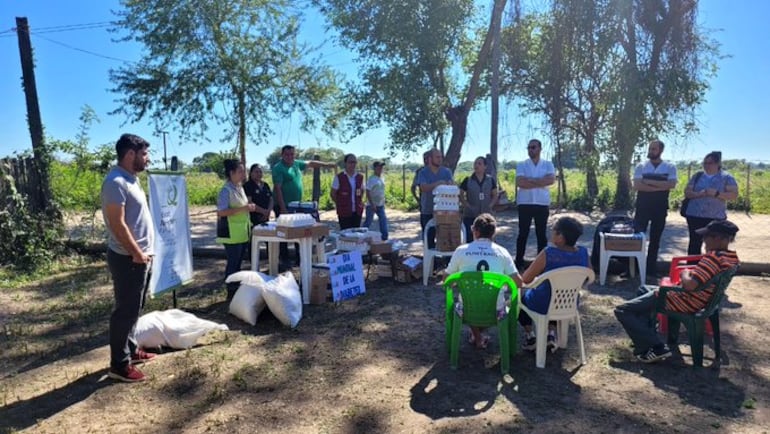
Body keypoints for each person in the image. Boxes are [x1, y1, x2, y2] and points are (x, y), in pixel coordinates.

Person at [614, 219, 740, 363]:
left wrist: (684, 273)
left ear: (718, 238)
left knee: (622, 310)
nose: (703, 240)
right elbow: (703, 277)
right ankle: (646, 336)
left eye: (706, 237)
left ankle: (655, 347)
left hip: (683, 300)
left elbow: (690, 285)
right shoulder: (731, 258)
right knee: (643, 288)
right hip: (701, 301)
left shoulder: (712, 259)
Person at [100, 133, 156, 382]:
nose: (148, 159)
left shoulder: (131, 179)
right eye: (144, 154)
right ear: (130, 154)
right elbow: (117, 223)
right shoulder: (115, 182)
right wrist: (136, 253)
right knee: (125, 311)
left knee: (135, 309)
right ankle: (119, 365)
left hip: (140, 257)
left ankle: (131, 350)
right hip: (128, 259)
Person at [444, 213, 519, 349]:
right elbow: (518, 283)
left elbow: (446, 280)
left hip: (467, 308)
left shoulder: (461, 251)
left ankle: (477, 335)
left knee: (468, 298)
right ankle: (480, 336)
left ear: (475, 231)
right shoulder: (503, 252)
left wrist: (457, 281)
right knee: (504, 300)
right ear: (493, 233)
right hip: (494, 309)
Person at [517, 216, 591, 351]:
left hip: (544, 302)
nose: (551, 232)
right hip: (568, 302)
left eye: (554, 230)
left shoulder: (548, 253)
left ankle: (530, 336)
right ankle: (551, 334)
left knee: (522, 299)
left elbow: (526, 279)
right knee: (554, 297)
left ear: (561, 236)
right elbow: (589, 277)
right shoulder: (583, 253)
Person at [271, 145, 336, 264]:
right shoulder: (278, 168)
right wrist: (283, 208)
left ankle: (299, 258)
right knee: (284, 231)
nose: (290, 157)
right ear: (282, 155)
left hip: (296, 205)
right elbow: (277, 189)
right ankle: (283, 260)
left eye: (292, 154)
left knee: (298, 230)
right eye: (287, 154)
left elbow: (311, 163)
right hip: (283, 205)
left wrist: (327, 165)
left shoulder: (296, 164)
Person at [632, 140, 678, 281]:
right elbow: (637, 186)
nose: (651, 151)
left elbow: (671, 184)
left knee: (655, 239)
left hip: (660, 207)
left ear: (660, 151)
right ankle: (632, 269)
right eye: (650, 148)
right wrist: (660, 186)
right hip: (642, 207)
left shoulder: (670, 167)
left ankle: (650, 269)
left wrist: (648, 182)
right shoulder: (641, 166)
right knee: (637, 238)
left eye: (654, 149)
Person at [682, 151, 739, 255]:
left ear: (718, 164)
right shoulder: (697, 176)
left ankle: (712, 267)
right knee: (694, 243)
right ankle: (693, 268)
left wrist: (716, 194)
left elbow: (734, 195)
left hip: (715, 217)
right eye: (705, 163)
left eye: (710, 163)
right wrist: (698, 194)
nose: (706, 166)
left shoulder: (727, 177)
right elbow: (687, 192)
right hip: (695, 215)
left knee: (714, 244)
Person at [216, 159, 256, 301]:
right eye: (240, 171)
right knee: (233, 263)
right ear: (231, 173)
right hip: (231, 234)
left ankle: (236, 289)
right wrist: (244, 208)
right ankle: (231, 291)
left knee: (238, 262)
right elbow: (221, 212)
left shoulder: (239, 187)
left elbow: (241, 207)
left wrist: (248, 207)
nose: (243, 174)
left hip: (241, 232)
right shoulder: (225, 190)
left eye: (243, 171)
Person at [515, 139, 555, 269]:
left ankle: (541, 263)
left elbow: (551, 180)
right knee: (523, 233)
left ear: (539, 149)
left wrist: (531, 180)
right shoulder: (522, 164)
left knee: (541, 234)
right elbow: (521, 183)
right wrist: (540, 182)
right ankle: (519, 261)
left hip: (542, 203)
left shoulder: (548, 164)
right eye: (528, 148)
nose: (530, 150)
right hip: (525, 203)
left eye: (533, 147)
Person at [417, 148, 454, 248]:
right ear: (430, 159)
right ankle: (430, 262)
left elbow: (451, 185)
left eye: (441, 157)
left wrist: (449, 185)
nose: (440, 159)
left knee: (446, 239)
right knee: (428, 239)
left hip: (444, 211)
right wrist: (437, 184)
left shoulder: (447, 172)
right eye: (437, 157)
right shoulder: (423, 172)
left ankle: (443, 261)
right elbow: (423, 187)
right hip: (427, 210)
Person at [459, 156, 498, 240]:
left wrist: (490, 205)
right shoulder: (467, 180)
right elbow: (460, 194)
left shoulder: (490, 180)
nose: (476, 165)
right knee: (469, 239)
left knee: (487, 240)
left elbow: (495, 194)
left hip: (486, 217)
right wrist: (467, 206)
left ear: (485, 166)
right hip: (470, 216)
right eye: (475, 163)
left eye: (479, 163)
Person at [331, 154, 365, 230]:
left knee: (356, 235)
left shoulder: (360, 177)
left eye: (355, 162)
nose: (353, 164)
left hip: (357, 212)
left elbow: (362, 191)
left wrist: (359, 202)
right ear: (345, 163)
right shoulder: (339, 177)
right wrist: (340, 203)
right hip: (344, 212)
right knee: (345, 235)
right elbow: (333, 193)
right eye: (350, 162)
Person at [363, 160, 388, 240]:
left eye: (382, 167)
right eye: (379, 167)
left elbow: (381, 190)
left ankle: (384, 238)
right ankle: (361, 237)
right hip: (371, 205)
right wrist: (372, 203)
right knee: (368, 222)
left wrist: (384, 200)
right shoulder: (372, 179)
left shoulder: (382, 178)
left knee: (383, 221)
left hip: (380, 204)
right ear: (375, 168)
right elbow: (367, 191)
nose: (381, 168)